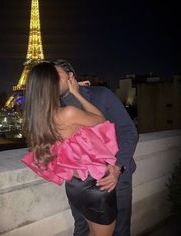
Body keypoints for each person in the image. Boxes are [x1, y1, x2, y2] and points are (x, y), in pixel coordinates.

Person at [22, 61, 119, 236]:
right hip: (96, 185)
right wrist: (76, 93)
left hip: (75, 187)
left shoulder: (37, 120)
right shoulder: (68, 113)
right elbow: (101, 119)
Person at [53, 59, 139, 236]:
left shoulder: (101, 94)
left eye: (56, 75)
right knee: (82, 229)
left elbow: (128, 132)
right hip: (80, 184)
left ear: (71, 77)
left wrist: (117, 168)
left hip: (115, 176)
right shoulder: (54, 108)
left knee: (120, 231)